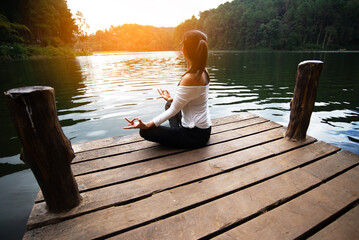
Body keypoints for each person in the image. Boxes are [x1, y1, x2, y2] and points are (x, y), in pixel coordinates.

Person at [124, 30, 211, 149]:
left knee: (145, 132)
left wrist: (148, 124)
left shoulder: (189, 78)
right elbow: (192, 97)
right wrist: (171, 98)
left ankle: (176, 134)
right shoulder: (204, 71)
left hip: (194, 136)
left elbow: (173, 111)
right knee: (169, 103)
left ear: (184, 51)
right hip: (204, 130)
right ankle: (175, 133)